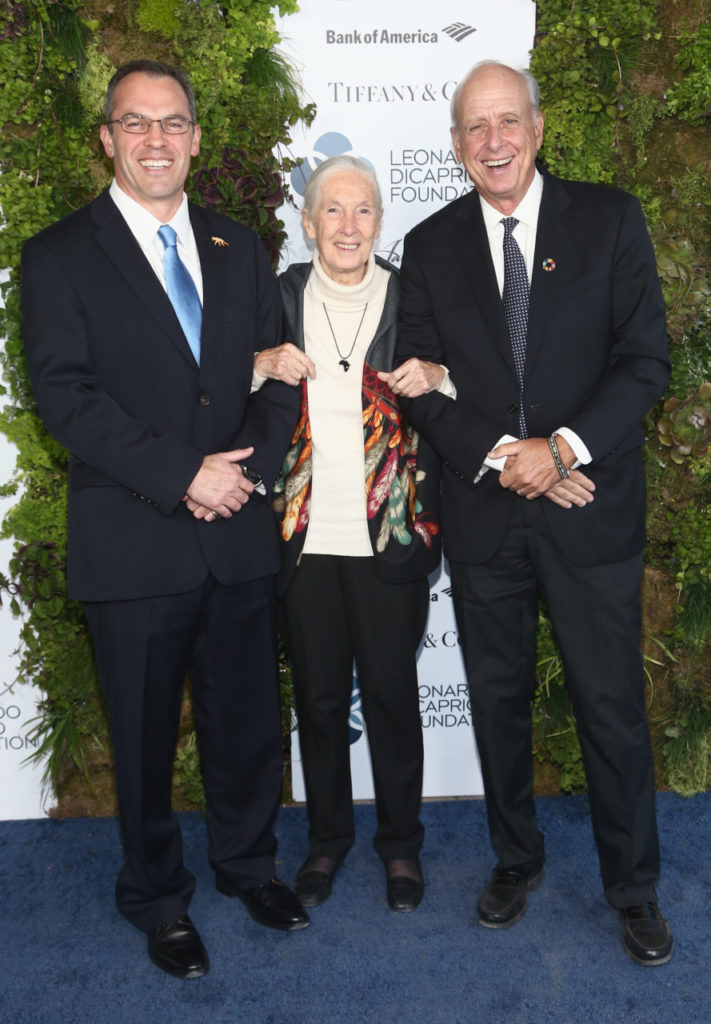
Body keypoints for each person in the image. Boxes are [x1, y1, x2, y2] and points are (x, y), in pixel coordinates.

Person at [21, 59, 308, 981]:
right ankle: (156, 898)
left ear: (195, 137)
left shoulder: (240, 247)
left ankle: (249, 866)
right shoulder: (58, 256)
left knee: (248, 724)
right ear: (107, 138)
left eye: (172, 122)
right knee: (143, 738)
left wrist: (243, 474)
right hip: (134, 541)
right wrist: (185, 475)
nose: (156, 140)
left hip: (237, 532)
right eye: (135, 123)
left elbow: (279, 376)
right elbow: (68, 400)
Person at [393, 61, 673, 965]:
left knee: (609, 707)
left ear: (538, 128)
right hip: (486, 515)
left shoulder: (609, 219)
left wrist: (559, 451)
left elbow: (642, 362)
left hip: (589, 506)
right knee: (497, 702)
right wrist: (508, 458)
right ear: (454, 145)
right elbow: (418, 385)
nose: (493, 141)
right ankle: (515, 859)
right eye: (475, 127)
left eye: (507, 121)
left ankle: (632, 887)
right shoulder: (428, 245)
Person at [257, 155, 442, 913]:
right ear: (306, 223)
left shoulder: (413, 297)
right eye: (332, 210)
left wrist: (440, 375)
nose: (347, 225)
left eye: (363, 210)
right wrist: (256, 364)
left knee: (393, 699)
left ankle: (401, 846)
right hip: (304, 540)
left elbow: (467, 377)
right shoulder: (276, 299)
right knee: (320, 701)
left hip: (389, 536)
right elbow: (219, 385)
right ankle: (327, 840)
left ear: (379, 221)